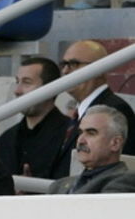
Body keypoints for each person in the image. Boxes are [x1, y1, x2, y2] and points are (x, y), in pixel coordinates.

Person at [51, 40, 135, 177]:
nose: (65, 71)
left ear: (99, 70)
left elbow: (117, 168)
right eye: (64, 65)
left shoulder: (114, 110)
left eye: (74, 64)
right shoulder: (77, 112)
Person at [0, 58, 70, 178]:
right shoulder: (6, 139)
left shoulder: (70, 135)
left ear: (50, 88)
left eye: (27, 82)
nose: (17, 91)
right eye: (17, 82)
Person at [49, 105, 129, 194]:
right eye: (80, 132)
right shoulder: (58, 185)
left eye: (91, 133)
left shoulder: (125, 181)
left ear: (115, 143)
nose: (80, 140)